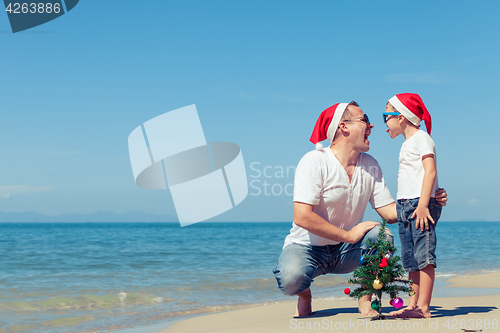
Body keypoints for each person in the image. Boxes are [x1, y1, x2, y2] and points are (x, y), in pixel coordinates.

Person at [273, 101, 447, 318]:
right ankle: (305, 295)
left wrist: (427, 199)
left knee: (381, 236)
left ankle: (365, 297)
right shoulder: (314, 161)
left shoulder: (371, 164)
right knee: (290, 279)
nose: (372, 125)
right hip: (307, 248)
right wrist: (347, 234)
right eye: (364, 120)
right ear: (343, 126)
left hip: (347, 250)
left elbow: (391, 212)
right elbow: (302, 217)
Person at [383, 93, 441, 318]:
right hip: (405, 204)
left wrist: (424, 204)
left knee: (424, 255)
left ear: (401, 117)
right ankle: (412, 304)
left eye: (386, 115)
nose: (384, 123)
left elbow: (431, 171)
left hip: (420, 203)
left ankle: (424, 307)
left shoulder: (422, 138)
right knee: (411, 259)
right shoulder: (407, 143)